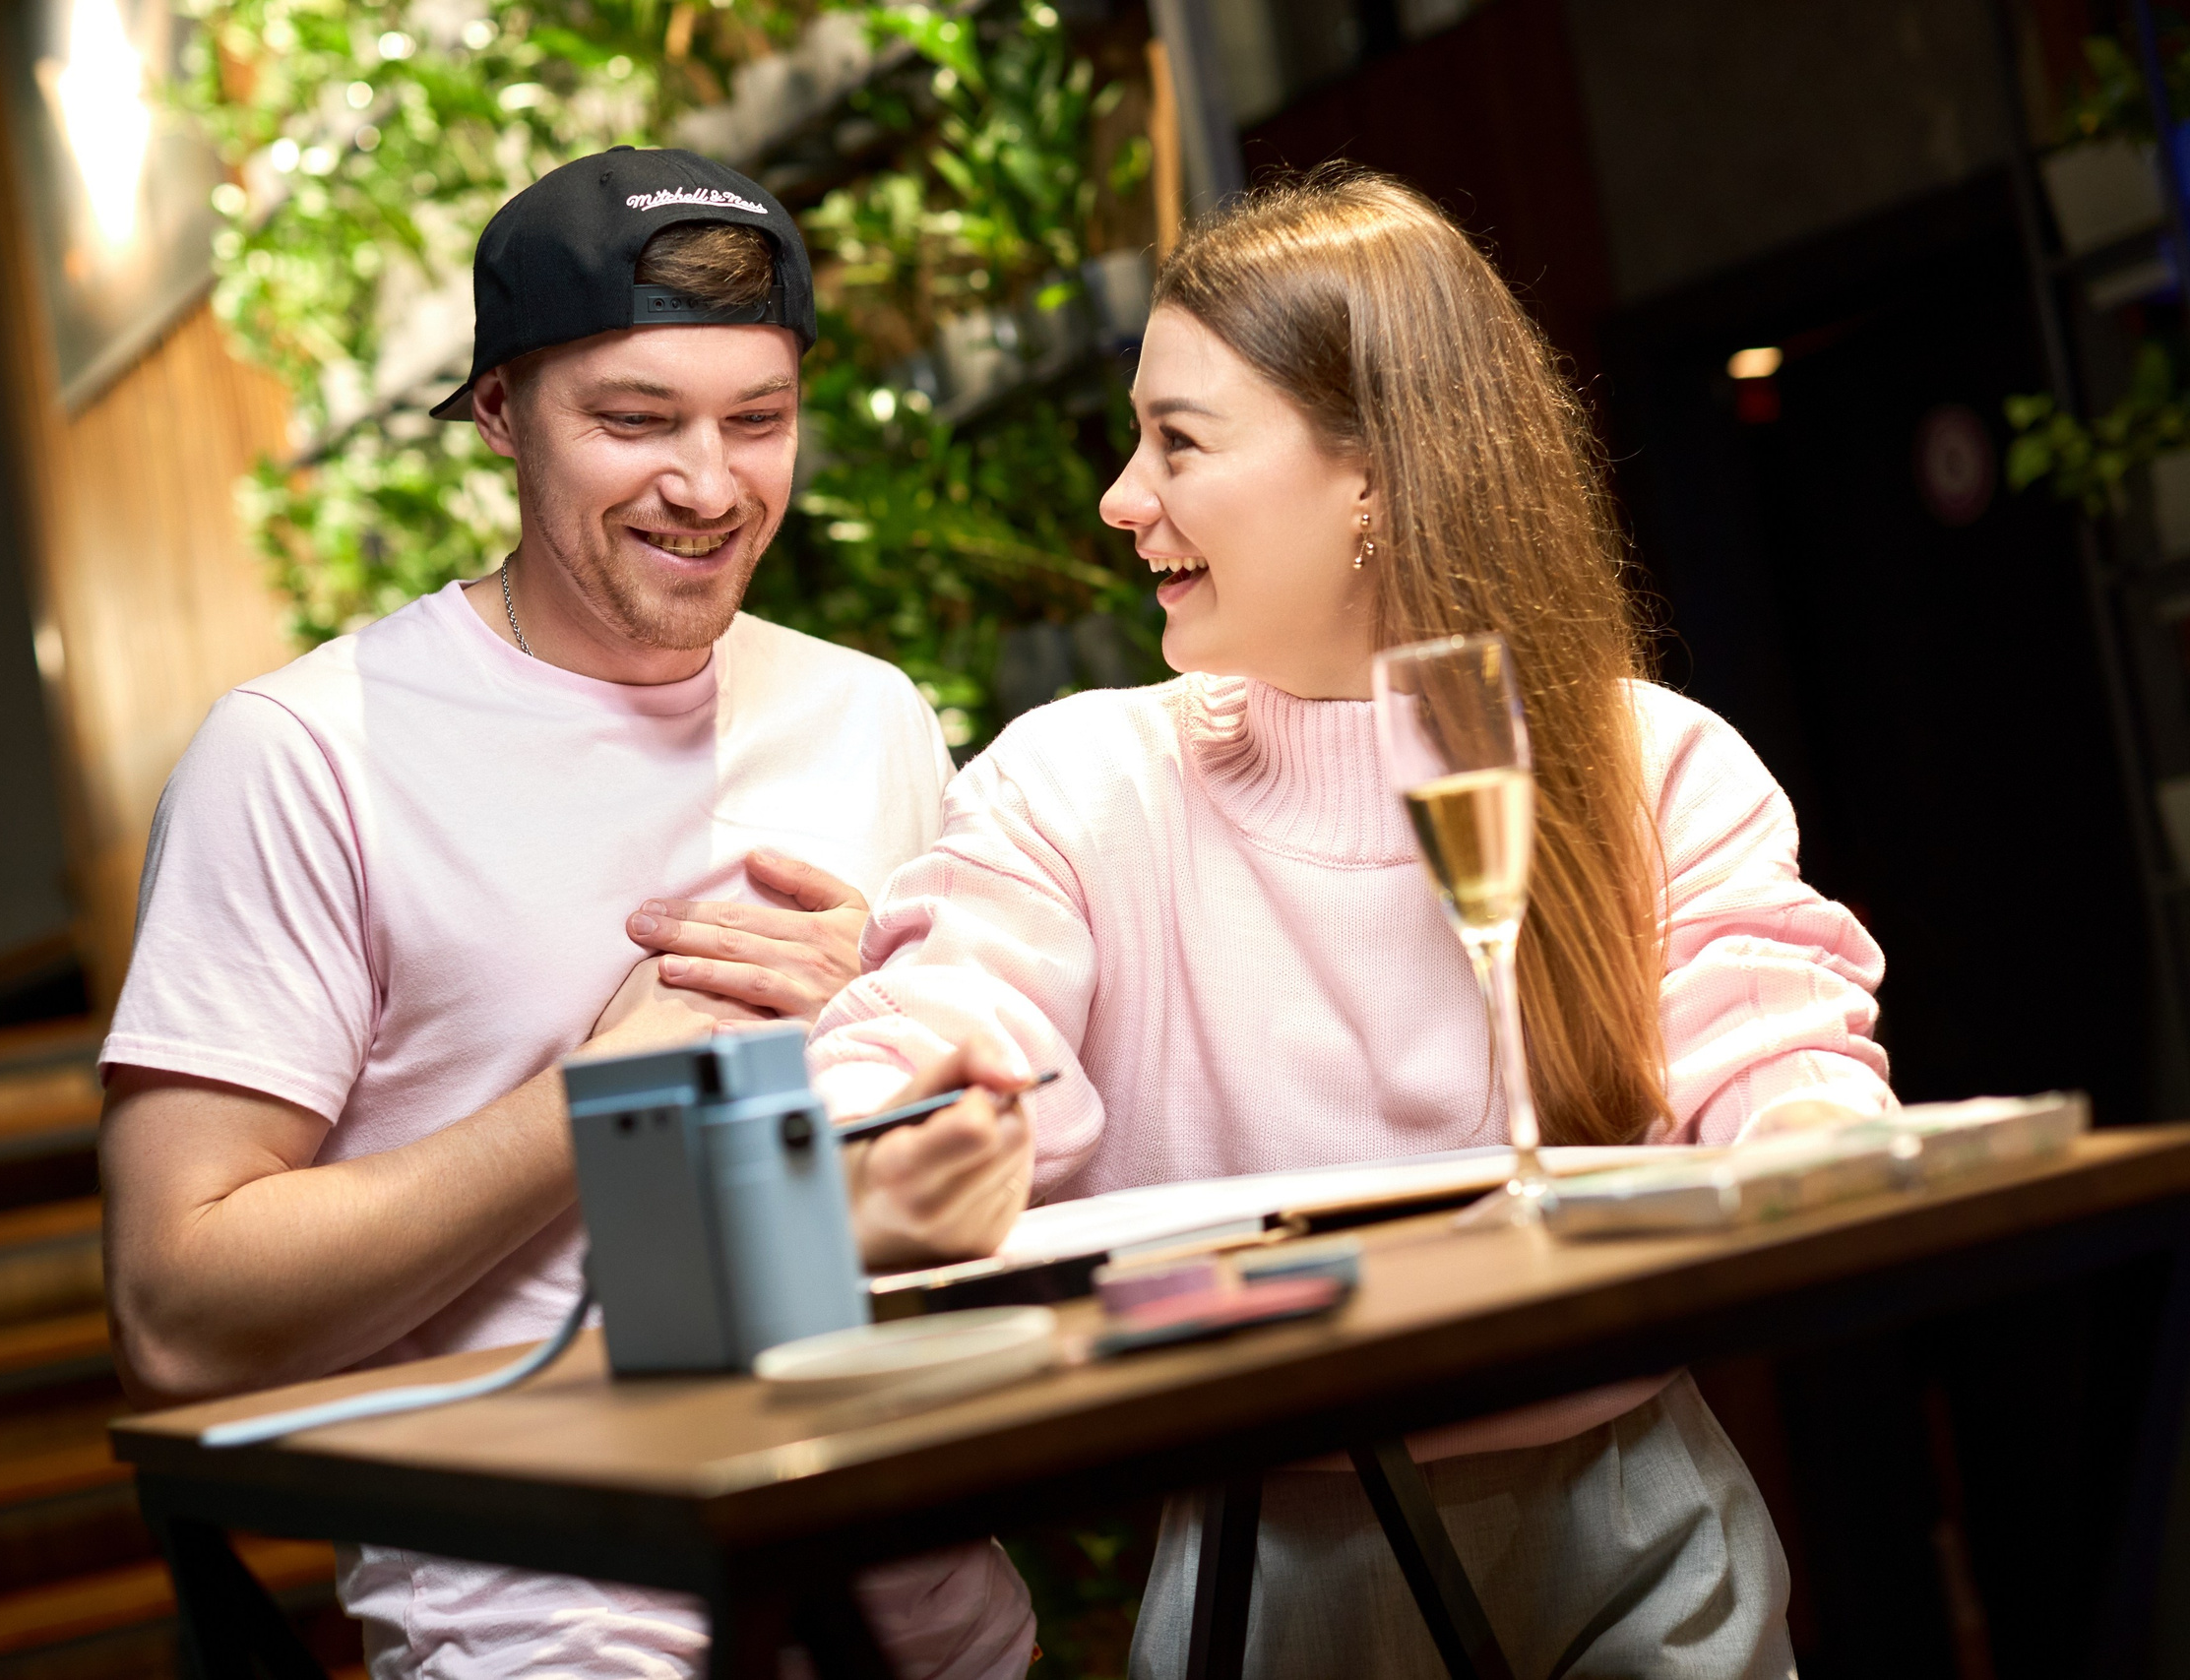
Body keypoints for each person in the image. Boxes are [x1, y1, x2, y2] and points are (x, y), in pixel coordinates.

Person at [805, 171, 1894, 1678]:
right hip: (1273, 1561)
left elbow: (1774, 1052)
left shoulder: (1648, 761)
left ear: (1372, 473)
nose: (1121, 497)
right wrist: (884, 1151)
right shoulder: (1077, 785)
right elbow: (925, 1039)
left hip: (1637, 1520)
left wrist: (1813, 1131)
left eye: (1178, 441)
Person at [98, 147, 1036, 1679]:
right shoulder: (301, 756)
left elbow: (980, 1186)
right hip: (565, 1629)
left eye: (758, 420)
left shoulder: (865, 716)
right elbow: (178, 1320)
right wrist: (599, 1100)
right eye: (634, 421)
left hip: (932, 1613)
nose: (710, 486)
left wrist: (897, 1045)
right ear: (498, 413)